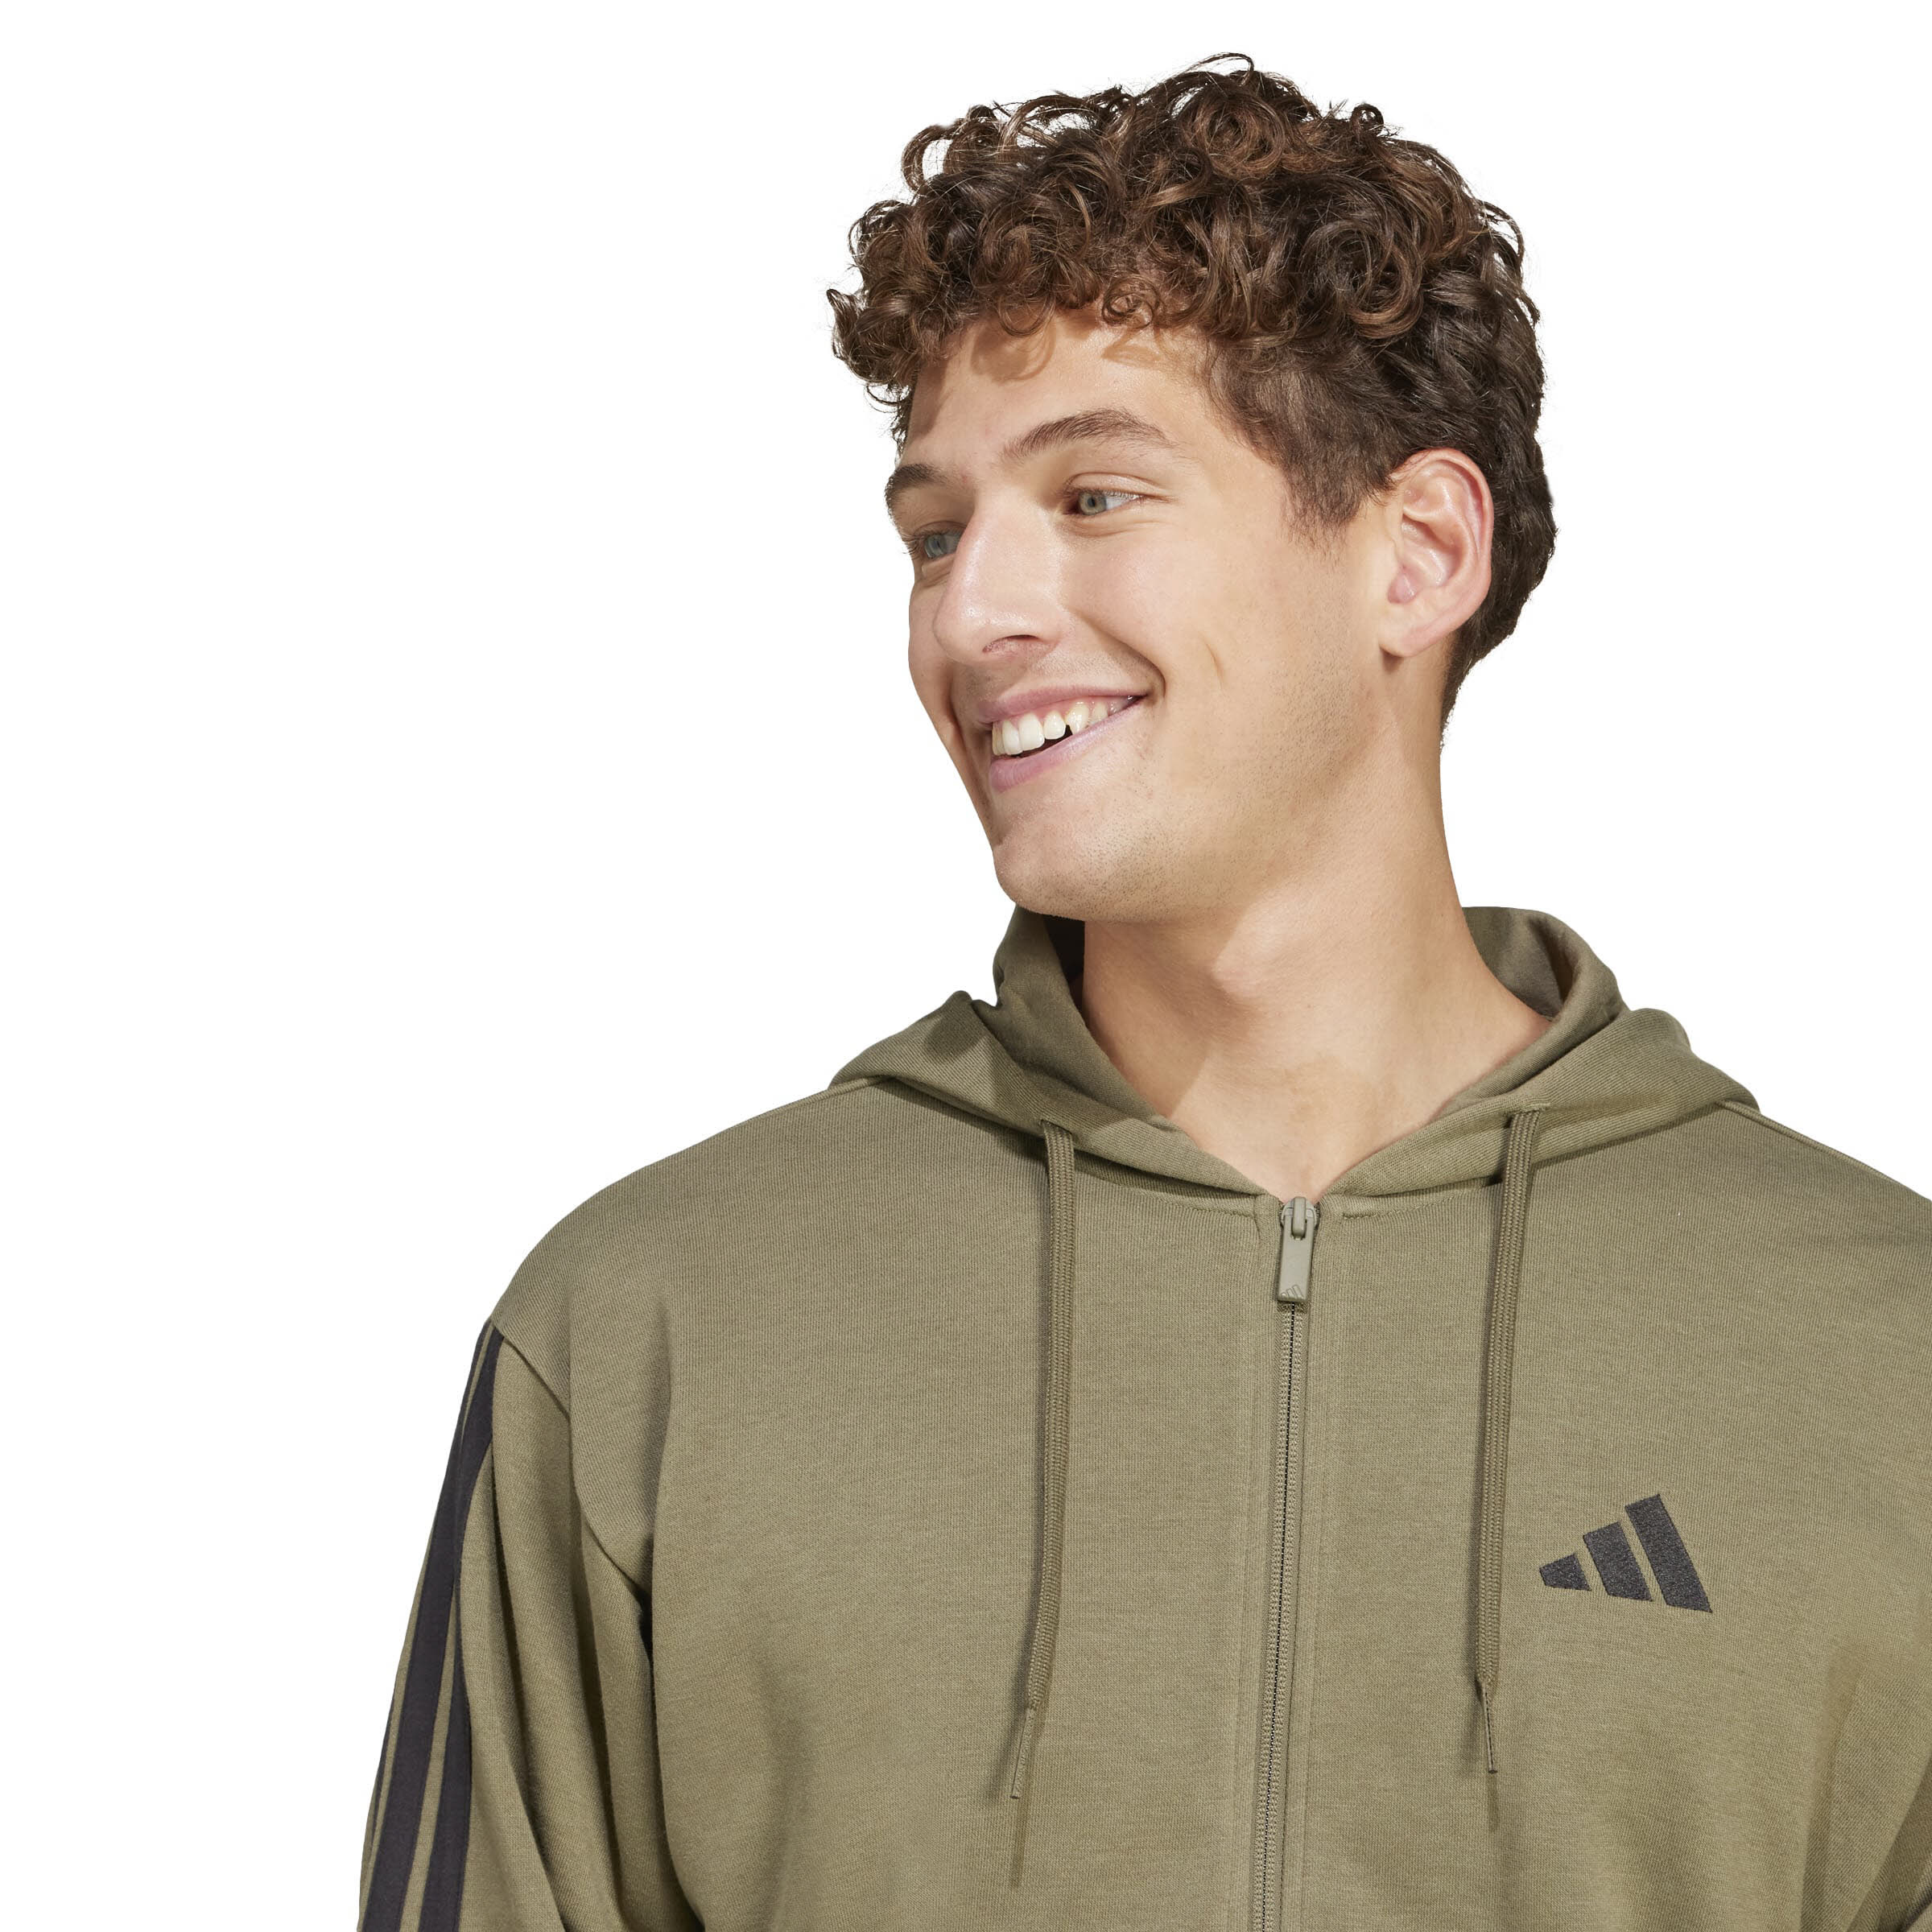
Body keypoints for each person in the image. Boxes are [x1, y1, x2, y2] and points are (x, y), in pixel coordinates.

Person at [357, 52, 1932, 1932]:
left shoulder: (1882, 1357)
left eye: (1095, 495)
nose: (970, 615)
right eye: (936, 533)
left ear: (1418, 553)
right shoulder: (654, 1329)